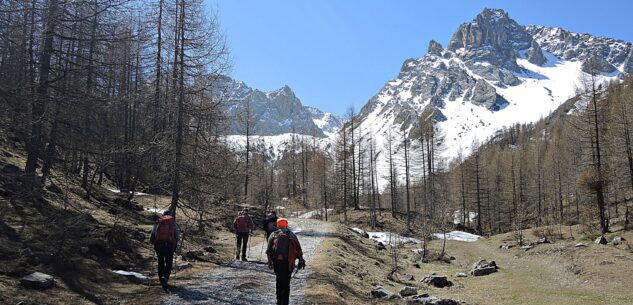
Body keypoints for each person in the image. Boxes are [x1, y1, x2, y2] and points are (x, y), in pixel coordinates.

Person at [266, 218, 305, 305]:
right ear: (286, 224)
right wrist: (301, 259)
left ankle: (279, 301)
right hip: (289, 262)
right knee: (286, 282)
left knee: (279, 280)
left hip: (277, 261)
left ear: (278, 225)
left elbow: (268, 250)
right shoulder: (292, 234)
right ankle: (285, 302)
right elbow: (298, 248)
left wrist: (269, 262)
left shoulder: (273, 234)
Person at [150, 210, 180, 291]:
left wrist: (152, 241)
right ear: (170, 215)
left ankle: (161, 279)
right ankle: (165, 277)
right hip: (169, 245)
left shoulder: (158, 222)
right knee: (169, 262)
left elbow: (153, 233)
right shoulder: (172, 222)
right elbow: (177, 235)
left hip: (158, 244)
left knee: (160, 262)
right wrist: (176, 242)